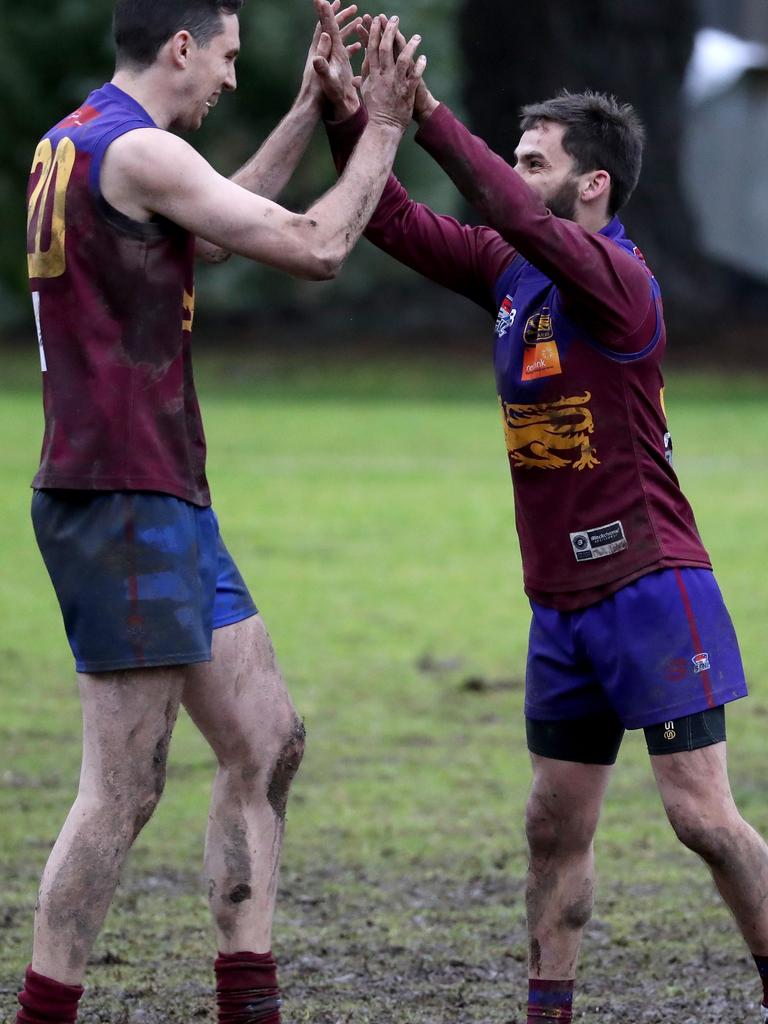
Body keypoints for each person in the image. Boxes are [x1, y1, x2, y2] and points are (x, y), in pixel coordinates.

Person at [317, 18, 768, 1023]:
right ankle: (547, 1008)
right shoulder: (509, 273)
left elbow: (510, 210)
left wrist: (428, 113)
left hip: (653, 585)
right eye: (515, 159)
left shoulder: (623, 283)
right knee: (552, 825)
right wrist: (348, 109)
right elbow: (389, 219)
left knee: (703, 818)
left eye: (535, 161)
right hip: (559, 603)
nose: (515, 175)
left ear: (592, 184)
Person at [18, 3, 426, 1023]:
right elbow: (320, 246)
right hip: (119, 500)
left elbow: (214, 232)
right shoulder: (139, 150)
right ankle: (43, 1008)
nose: (230, 82)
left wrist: (303, 112)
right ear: (182, 45)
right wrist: (380, 122)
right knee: (122, 790)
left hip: (164, 495)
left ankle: (250, 999)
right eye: (232, 60)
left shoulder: (83, 141)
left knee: (266, 740)